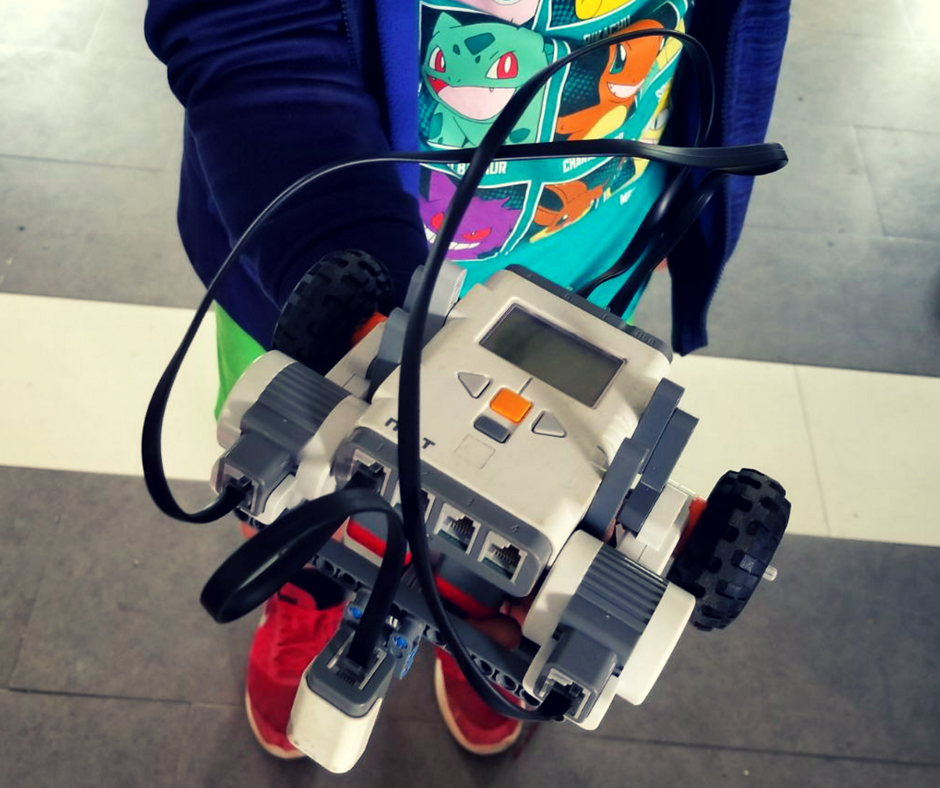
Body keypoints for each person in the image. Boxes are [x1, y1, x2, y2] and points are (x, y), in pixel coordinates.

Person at [145, 0, 788, 761]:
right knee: (300, 456)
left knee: (563, 474)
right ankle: (303, 588)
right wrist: (365, 302)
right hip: (323, 238)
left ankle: (477, 630)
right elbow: (247, 28)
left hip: (591, 226)